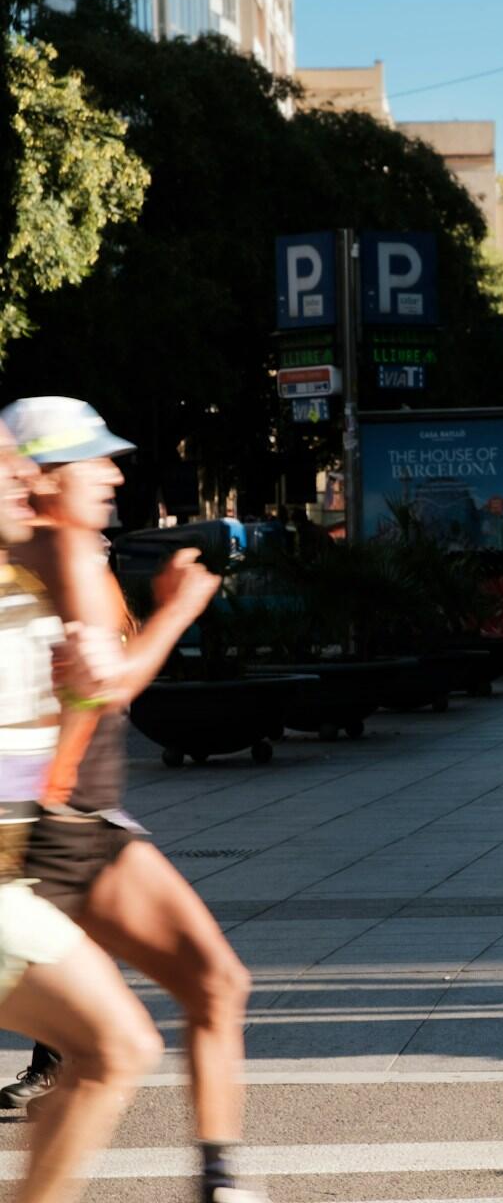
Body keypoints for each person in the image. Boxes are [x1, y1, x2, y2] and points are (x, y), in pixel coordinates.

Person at [0, 398, 262, 1203]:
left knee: (212, 985)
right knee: (113, 1046)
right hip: (39, 837)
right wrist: (178, 609)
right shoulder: (59, 546)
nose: (115, 472)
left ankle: (219, 1179)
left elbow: (94, 688)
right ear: (45, 476)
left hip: (83, 822)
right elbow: (114, 688)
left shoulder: (66, 548)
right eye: (96, 460)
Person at [0, 412, 165, 1203]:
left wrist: (70, 686)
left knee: (115, 1048)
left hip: (11, 874)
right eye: (11, 473)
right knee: (113, 1047)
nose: (27, 484)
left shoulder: (28, 578)